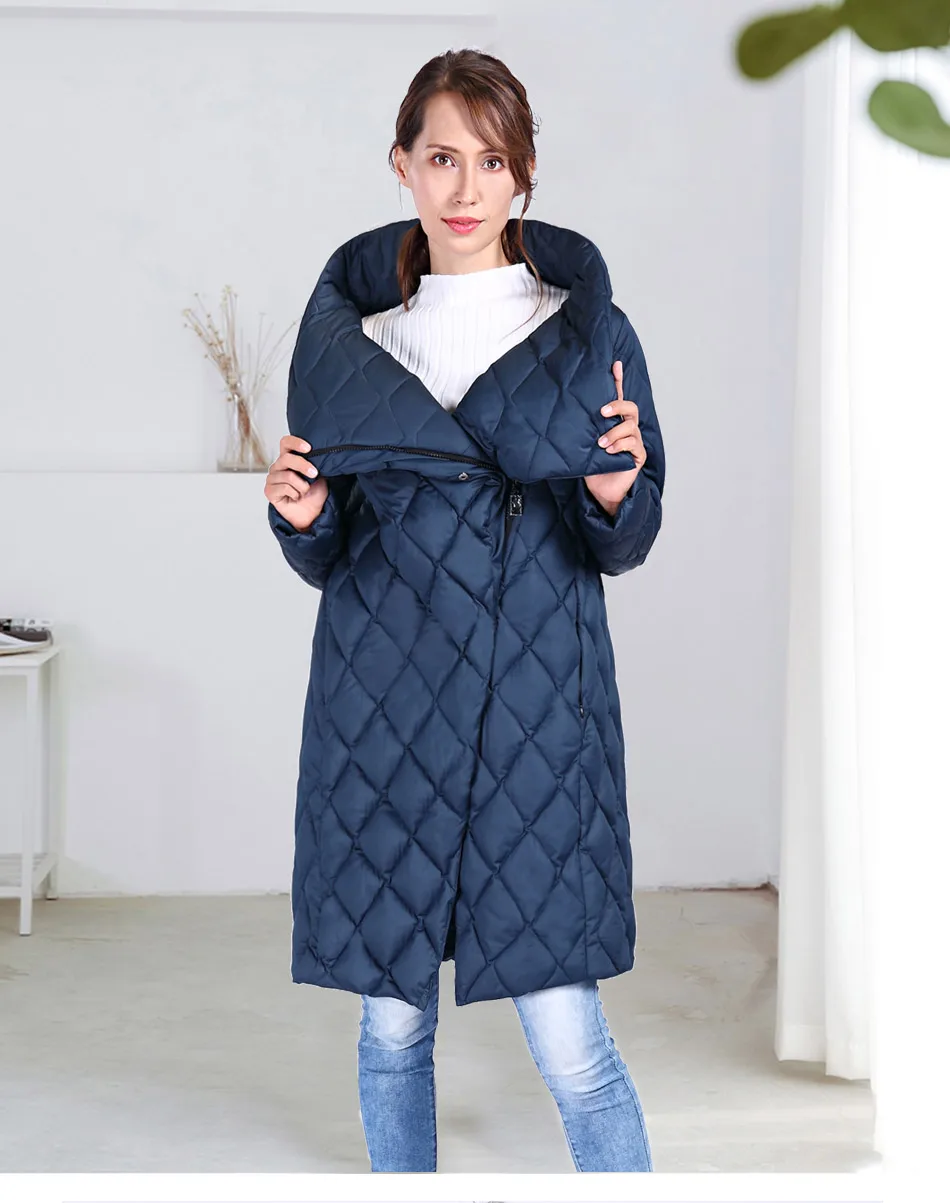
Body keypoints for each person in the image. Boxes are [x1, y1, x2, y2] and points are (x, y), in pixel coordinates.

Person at [264, 48, 665, 1173]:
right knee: (392, 1028)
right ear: (400, 164)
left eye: (492, 161)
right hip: (383, 703)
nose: (465, 188)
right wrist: (302, 517)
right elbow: (332, 551)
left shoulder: (587, 330)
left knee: (570, 1038)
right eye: (441, 158)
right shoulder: (352, 344)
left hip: (537, 702)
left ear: (524, 174)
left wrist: (614, 492)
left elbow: (626, 536)